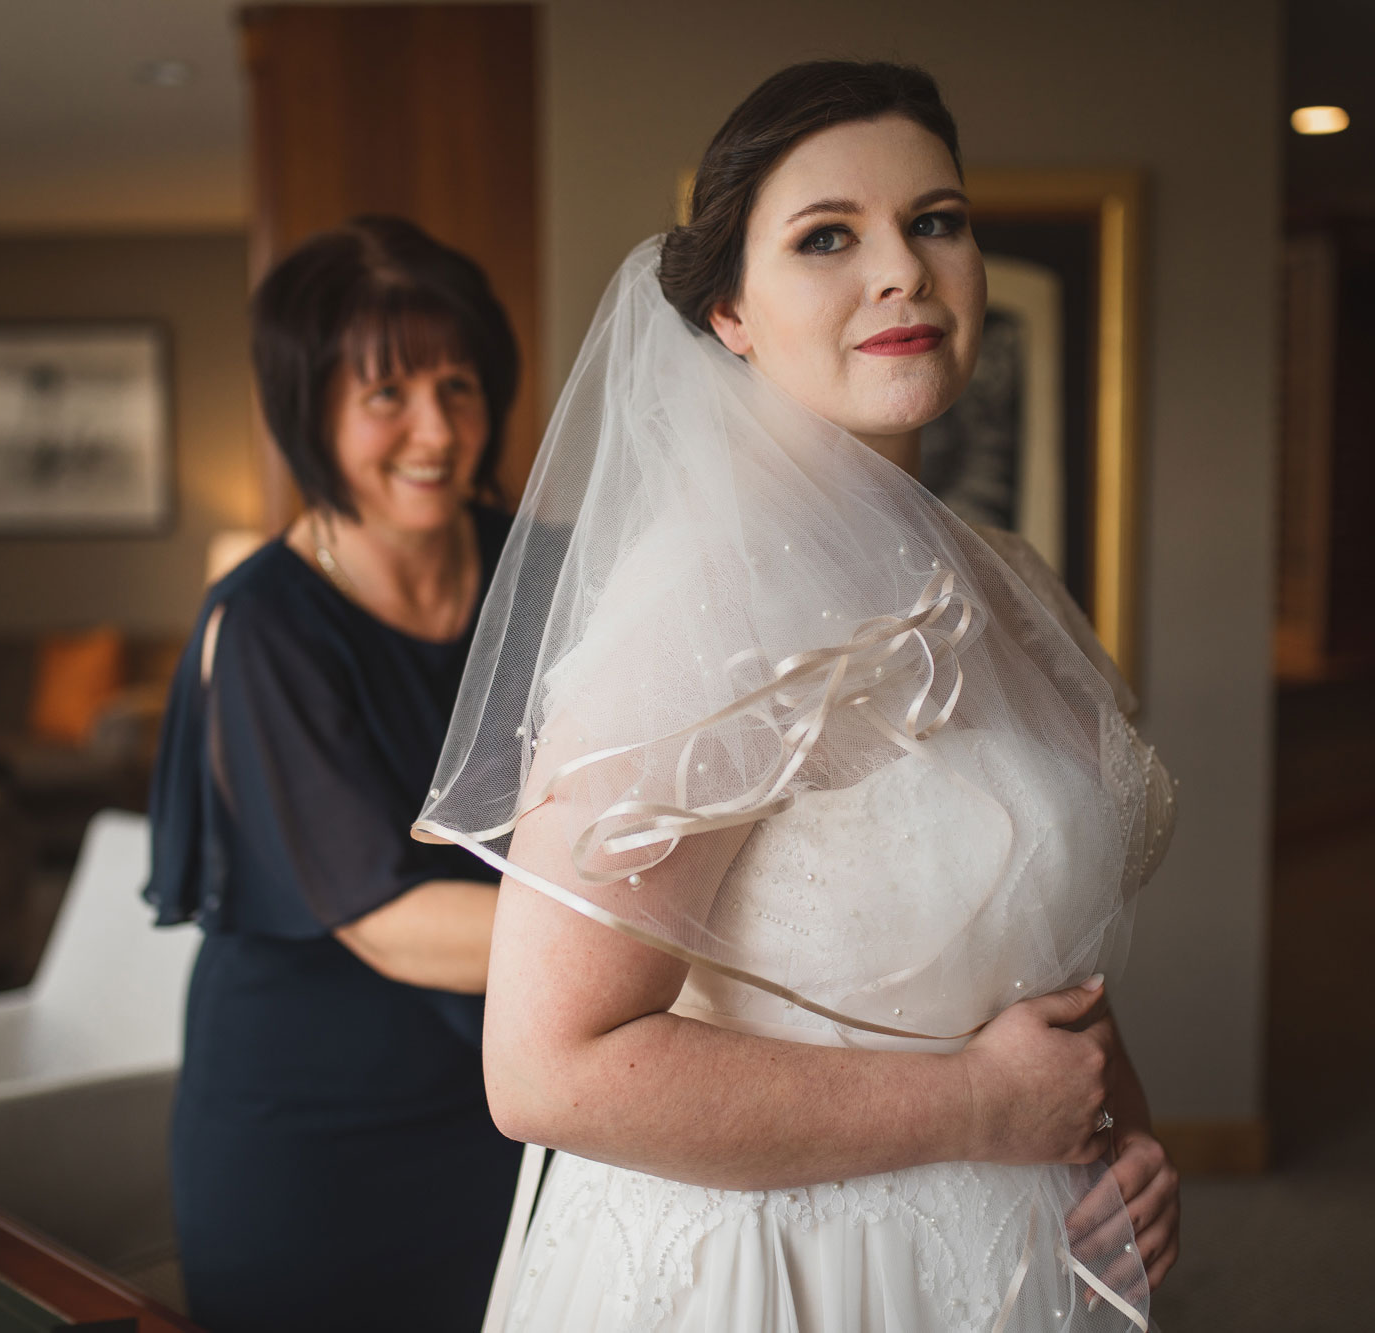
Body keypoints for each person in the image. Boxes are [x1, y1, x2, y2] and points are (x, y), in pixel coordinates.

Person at [415, 63, 1178, 1331]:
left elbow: (1041, 947)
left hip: (1018, 1254)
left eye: (934, 221)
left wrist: (1120, 1133)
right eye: (828, 236)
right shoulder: (698, 608)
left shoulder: (1002, 575)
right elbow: (545, 1070)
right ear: (728, 312)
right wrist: (981, 1109)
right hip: (788, 1276)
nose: (904, 271)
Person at [145, 216, 524, 1333]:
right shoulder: (263, 625)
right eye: (386, 396)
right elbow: (386, 915)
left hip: (510, 1105)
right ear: (307, 411)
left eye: (458, 388)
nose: (435, 431)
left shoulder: (541, 569)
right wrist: (671, 955)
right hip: (309, 1143)